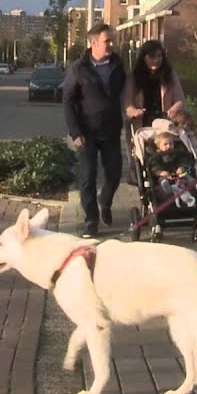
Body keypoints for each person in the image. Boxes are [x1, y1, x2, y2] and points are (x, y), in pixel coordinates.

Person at [63, 22, 127, 238]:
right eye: (107, 41)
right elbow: (68, 101)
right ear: (94, 43)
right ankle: (91, 220)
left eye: (112, 40)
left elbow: (125, 91)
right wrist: (75, 132)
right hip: (86, 132)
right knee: (87, 178)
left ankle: (105, 201)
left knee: (114, 174)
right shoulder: (79, 68)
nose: (112, 44)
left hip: (111, 130)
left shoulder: (117, 64)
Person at [126, 40, 185, 125]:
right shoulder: (133, 77)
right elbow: (127, 104)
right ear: (144, 57)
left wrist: (173, 109)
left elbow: (180, 100)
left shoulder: (169, 74)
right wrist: (134, 111)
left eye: (159, 56)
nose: (156, 60)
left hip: (165, 123)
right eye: (152, 56)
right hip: (142, 124)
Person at [145, 130, 197, 208]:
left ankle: (196, 185)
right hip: (164, 176)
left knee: (186, 176)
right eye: (165, 144)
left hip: (178, 176)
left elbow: (182, 161)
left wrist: (181, 167)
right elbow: (154, 166)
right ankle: (165, 185)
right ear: (159, 146)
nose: (169, 146)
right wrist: (160, 172)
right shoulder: (156, 156)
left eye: (171, 144)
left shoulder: (177, 153)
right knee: (162, 180)